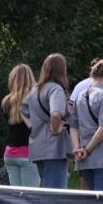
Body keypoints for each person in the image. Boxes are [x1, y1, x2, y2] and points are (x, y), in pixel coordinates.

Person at [21, 53, 72, 189]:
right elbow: (56, 114)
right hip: (54, 148)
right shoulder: (56, 89)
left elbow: (23, 110)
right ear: (62, 69)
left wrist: (33, 126)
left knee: (46, 188)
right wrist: (55, 129)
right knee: (56, 193)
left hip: (37, 146)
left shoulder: (35, 90)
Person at [69, 58, 103, 192]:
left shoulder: (80, 96)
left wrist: (77, 148)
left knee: (92, 201)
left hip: (84, 159)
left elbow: (73, 125)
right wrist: (88, 150)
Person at [0, 64, 40, 187]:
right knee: (30, 196)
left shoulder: (6, 101)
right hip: (28, 153)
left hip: (10, 154)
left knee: (16, 196)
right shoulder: (35, 99)